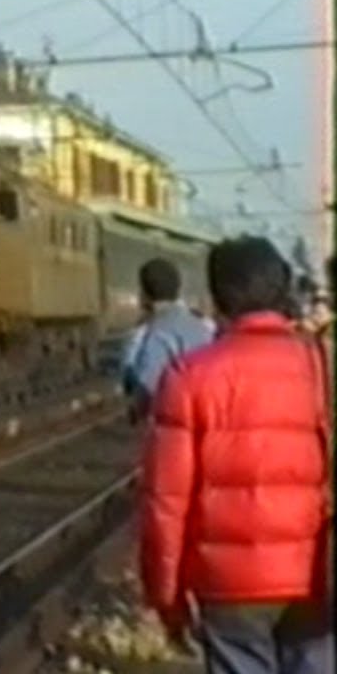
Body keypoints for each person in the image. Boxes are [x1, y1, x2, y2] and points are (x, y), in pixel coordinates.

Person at [139, 236, 332, 674]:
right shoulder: (320, 364)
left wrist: (165, 595)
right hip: (315, 570)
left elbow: (166, 502)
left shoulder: (188, 376)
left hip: (228, 584)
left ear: (217, 295)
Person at [120, 258, 214, 420]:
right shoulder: (204, 324)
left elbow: (149, 386)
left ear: (145, 294)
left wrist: (135, 410)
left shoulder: (159, 330)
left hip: (177, 422)